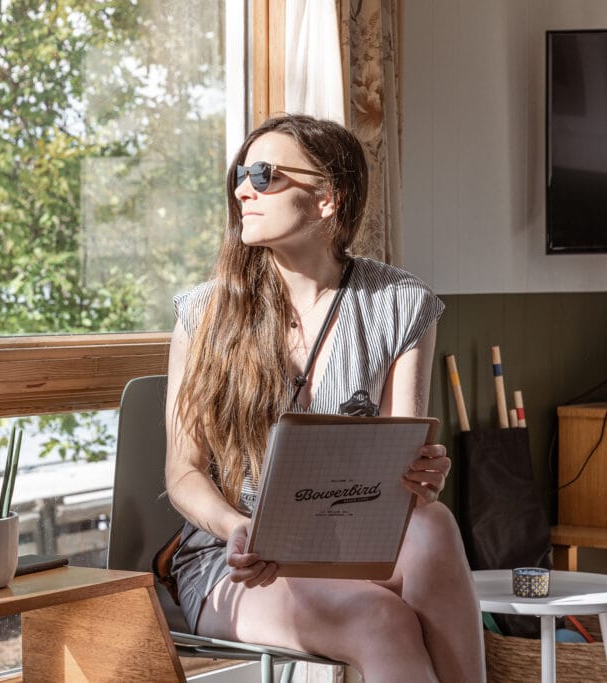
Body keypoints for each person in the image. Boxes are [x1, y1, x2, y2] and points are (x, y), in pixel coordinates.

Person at [164, 113, 484, 682]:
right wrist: (236, 526)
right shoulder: (205, 315)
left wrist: (419, 479)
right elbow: (183, 474)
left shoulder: (400, 303)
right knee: (379, 618)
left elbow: (402, 484)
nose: (243, 188)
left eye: (265, 175)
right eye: (241, 173)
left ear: (327, 199)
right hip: (235, 560)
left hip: (351, 543)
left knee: (434, 524)